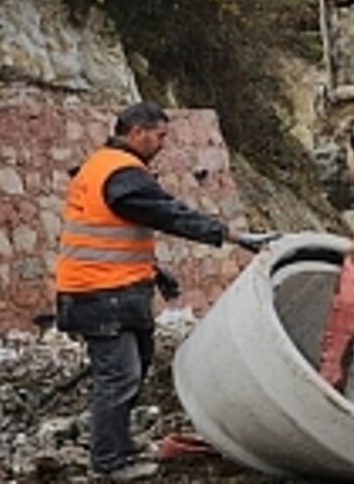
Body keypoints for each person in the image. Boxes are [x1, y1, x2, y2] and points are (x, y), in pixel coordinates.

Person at [54, 102, 277, 479]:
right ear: (137, 131)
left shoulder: (105, 167)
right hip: (101, 293)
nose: (162, 144)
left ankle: (118, 444)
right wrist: (233, 236)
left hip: (115, 290)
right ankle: (108, 461)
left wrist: (155, 270)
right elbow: (169, 214)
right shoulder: (121, 173)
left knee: (136, 366)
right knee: (120, 376)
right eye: (160, 136)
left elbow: (114, 229)